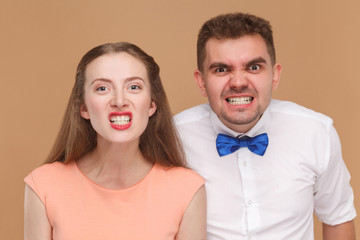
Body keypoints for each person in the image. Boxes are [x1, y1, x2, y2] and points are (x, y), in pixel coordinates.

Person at [174, 12, 356, 239]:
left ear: (275, 76)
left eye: (253, 67)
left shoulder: (316, 133)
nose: (238, 82)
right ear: (201, 82)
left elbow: (338, 219)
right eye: (222, 69)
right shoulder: (173, 138)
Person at [24, 42, 206, 240]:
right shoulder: (43, 186)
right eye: (102, 88)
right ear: (83, 107)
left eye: (134, 87)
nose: (119, 101)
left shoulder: (187, 189)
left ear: (152, 105)